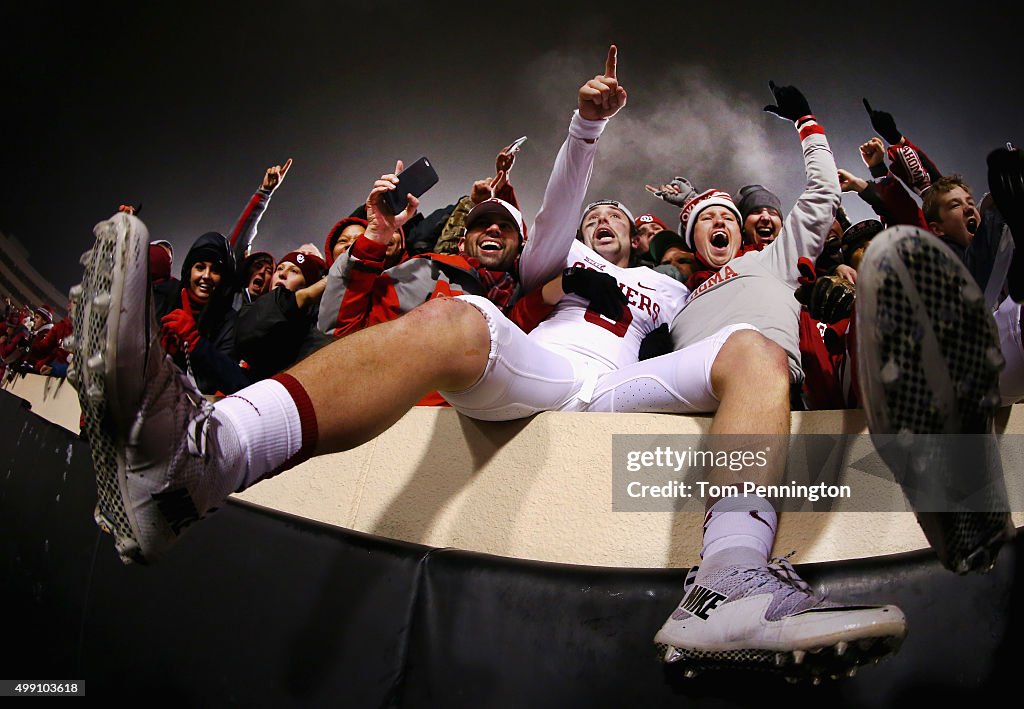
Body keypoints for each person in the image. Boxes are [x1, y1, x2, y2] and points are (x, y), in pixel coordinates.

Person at [71, 49, 903, 681]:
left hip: (618, 388)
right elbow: (550, 230)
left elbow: (738, 315)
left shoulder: (671, 284)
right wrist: (587, 132)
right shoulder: (565, 246)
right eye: (599, 214)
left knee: (754, 353)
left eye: (621, 215)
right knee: (460, 319)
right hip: (541, 368)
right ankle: (203, 457)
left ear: (657, 238)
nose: (607, 219)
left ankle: (727, 583)